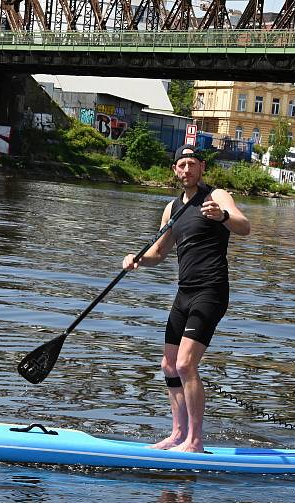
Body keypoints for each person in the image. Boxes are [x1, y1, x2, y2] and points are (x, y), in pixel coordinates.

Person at [122, 144, 250, 453]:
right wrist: (136, 259)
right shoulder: (171, 209)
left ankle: (195, 441)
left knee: (185, 364)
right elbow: (159, 251)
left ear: (202, 167)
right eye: (182, 164)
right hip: (184, 292)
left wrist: (222, 217)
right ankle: (178, 434)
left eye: (192, 164)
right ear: (175, 170)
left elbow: (244, 227)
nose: (187, 169)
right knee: (168, 365)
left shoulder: (215, 196)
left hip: (211, 291)